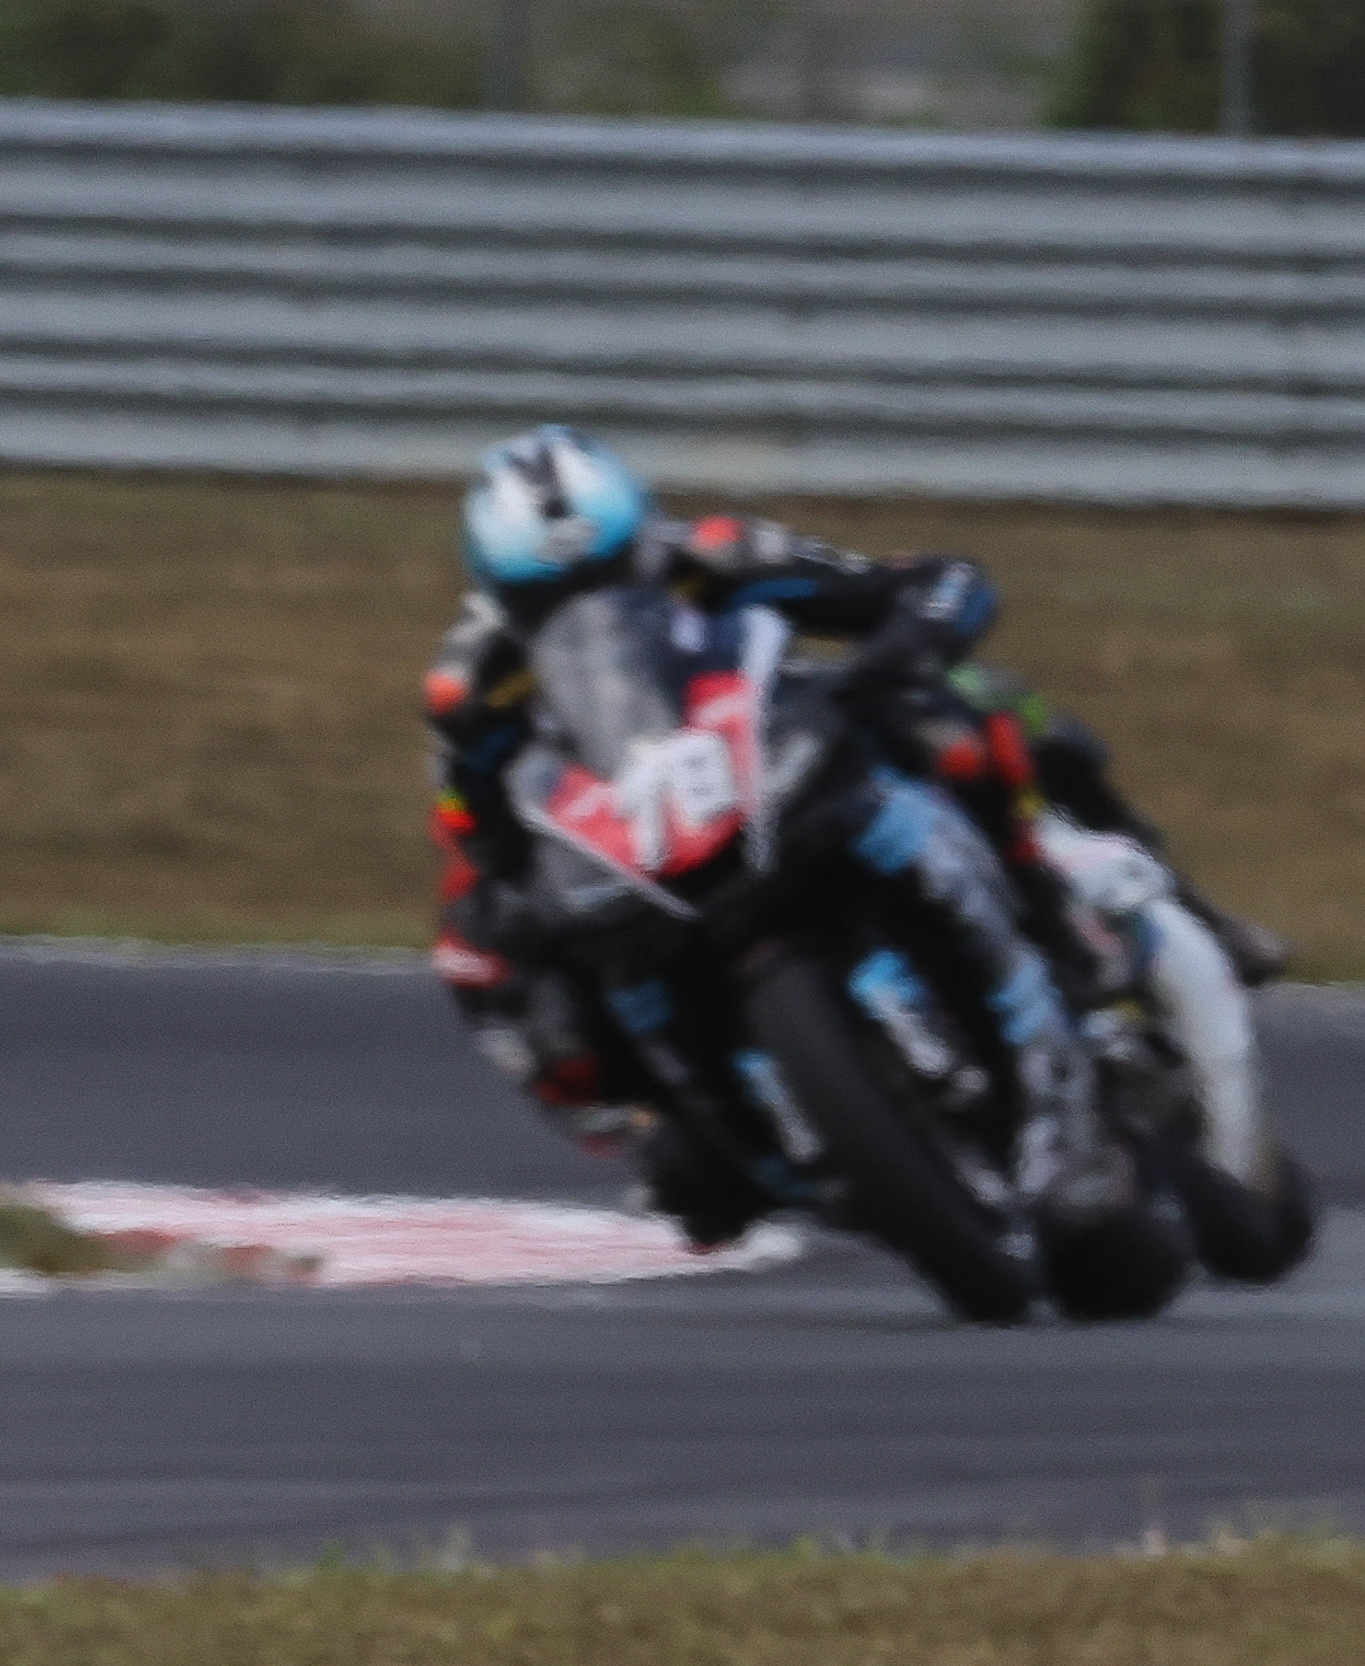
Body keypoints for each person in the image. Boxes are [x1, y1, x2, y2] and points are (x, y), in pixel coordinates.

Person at [419, 426, 1275, 1229]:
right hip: (640, 840)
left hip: (780, 751)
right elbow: (475, 830)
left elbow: (917, 583)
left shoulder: (718, 553)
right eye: (547, 595)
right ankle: (668, 1117)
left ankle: (1111, 911)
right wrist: (512, 900)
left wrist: (911, 638)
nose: (591, 603)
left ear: (642, 535)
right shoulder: (471, 686)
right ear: (497, 589)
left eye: (611, 571)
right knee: (484, 947)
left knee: (983, 708)